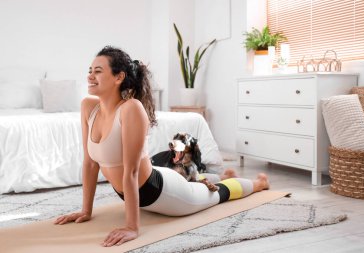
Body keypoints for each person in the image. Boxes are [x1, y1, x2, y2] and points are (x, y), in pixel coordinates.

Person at [54, 46, 269, 247]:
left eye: (98, 71)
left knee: (218, 195)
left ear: (118, 77)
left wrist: (132, 227)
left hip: (162, 192)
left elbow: (132, 171)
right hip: (143, 187)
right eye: (90, 70)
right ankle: (214, 178)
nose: (90, 75)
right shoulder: (88, 107)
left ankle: (258, 184)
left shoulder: (131, 109)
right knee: (200, 184)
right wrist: (86, 210)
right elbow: (91, 164)